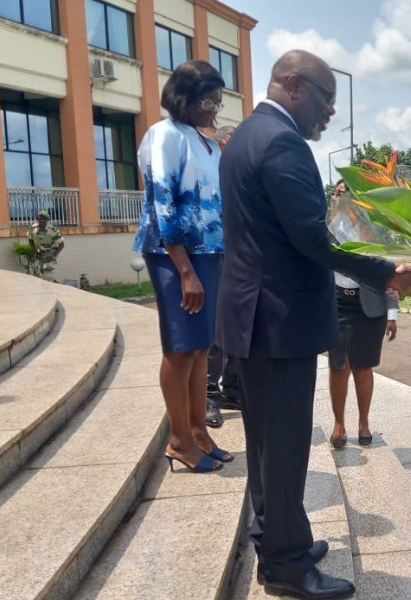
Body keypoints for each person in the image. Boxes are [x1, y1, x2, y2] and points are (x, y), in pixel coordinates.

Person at [216, 50, 411, 600]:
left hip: (253, 317)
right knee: (282, 449)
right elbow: (314, 236)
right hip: (277, 323)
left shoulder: (244, 136)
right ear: (292, 85)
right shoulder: (280, 142)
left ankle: (280, 538)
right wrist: (389, 272)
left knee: (265, 444)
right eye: (326, 97)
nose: (332, 109)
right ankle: (285, 566)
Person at [133, 60, 232, 474]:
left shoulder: (204, 141)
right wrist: (185, 270)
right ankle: (178, 439)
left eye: (217, 102)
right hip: (175, 257)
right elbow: (162, 203)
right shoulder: (163, 135)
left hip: (209, 255)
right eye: (208, 101)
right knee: (179, 350)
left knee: (199, 348)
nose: (214, 110)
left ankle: (198, 433)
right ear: (184, 98)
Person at [328, 181, 399, 448]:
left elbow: (389, 271)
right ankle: (338, 424)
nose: (340, 197)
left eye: (346, 192)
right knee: (339, 365)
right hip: (336, 303)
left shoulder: (374, 229)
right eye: (336, 193)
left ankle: (364, 422)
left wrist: (393, 313)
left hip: (368, 304)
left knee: (363, 366)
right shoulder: (325, 227)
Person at [203, 125, 239, 429]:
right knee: (216, 336)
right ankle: (210, 398)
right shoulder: (208, 178)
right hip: (214, 261)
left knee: (240, 329)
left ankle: (233, 391)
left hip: (241, 262)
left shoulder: (240, 177)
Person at [27, 210, 64, 281]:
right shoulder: (33, 228)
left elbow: (61, 245)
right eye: (39, 219)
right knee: (41, 273)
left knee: (47, 269)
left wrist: (53, 256)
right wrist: (35, 252)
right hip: (40, 252)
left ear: (47, 220)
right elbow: (30, 239)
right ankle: (47, 287)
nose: (41, 220)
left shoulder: (52, 230)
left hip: (51, 251)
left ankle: (51, 286)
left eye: (43, 219)